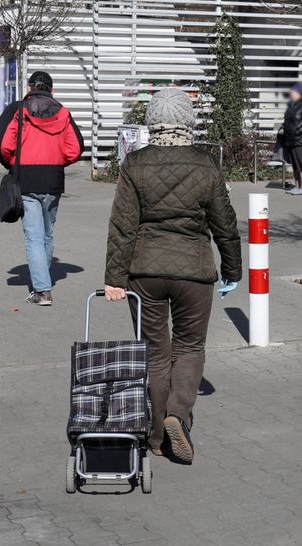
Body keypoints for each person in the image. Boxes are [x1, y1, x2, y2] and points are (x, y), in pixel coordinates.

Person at [103, 88, 242, 463]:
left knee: (154, 353)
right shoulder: (207, 163)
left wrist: (114, 277)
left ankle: (154, 435)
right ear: (189, 121)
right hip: (194, 271)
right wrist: (232, 268)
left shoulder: (134, 163)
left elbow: (122, 226)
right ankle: (178, 415)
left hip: (144, 272)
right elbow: (224, 222)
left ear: (151, 122)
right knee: (190, 348)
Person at [0, 71, 84, 306]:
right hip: (53, 179)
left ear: (30, 87)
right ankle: (43, 279)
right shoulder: (63, 113)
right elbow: (75, 149)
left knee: (33, 237)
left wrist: (15, 163)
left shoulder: (20, 111)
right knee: (48, 232)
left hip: (27, 179)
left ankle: (42, 291)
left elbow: (5, 146)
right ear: (51, 90)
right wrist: (55, 160)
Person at [281, 82, 302, 196]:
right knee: (295, 164)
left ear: (299, 93)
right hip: (291, 140)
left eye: (294, 93)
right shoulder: (292, 106)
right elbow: (288, 121)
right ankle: (297, 186)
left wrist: (297, 131)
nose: (292, 95)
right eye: (291, 93)